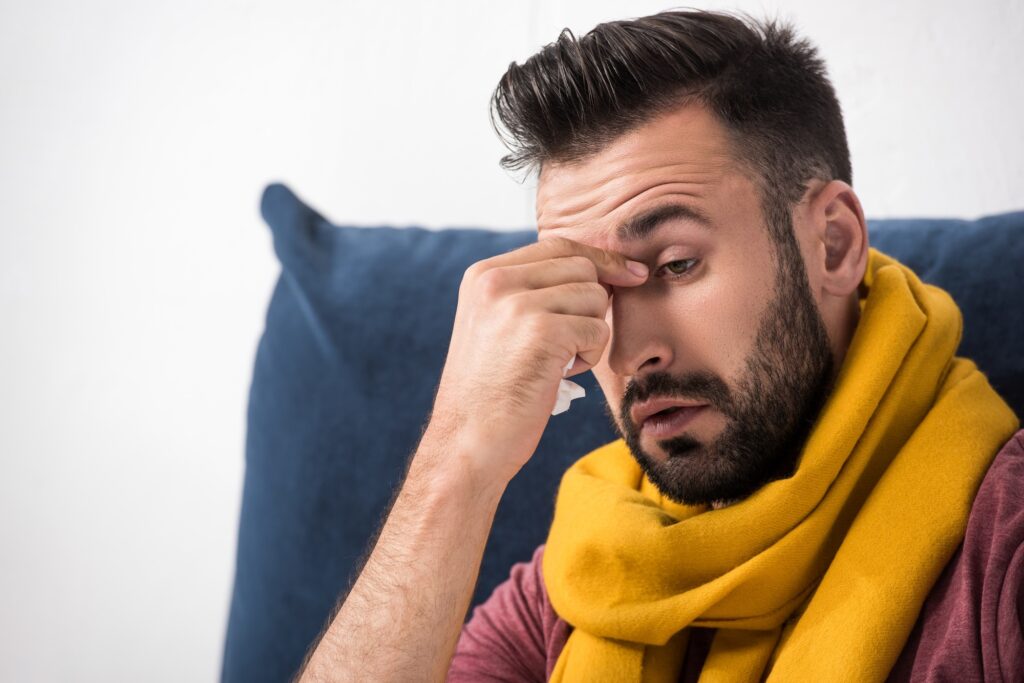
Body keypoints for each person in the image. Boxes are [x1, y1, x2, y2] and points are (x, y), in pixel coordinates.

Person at [297, 10, 1022, 682]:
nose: (628, 350)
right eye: (591, 289)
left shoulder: (1001, 546)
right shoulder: (583, 578)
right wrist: (457, 459)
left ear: (833, 244)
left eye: (676, 265)